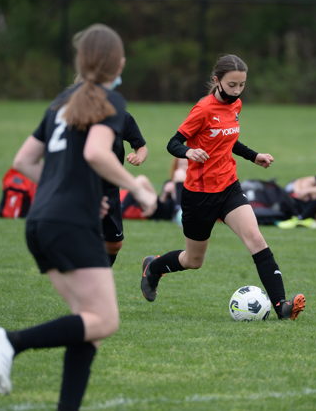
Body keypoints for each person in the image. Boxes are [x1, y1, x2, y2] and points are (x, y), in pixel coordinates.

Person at [0, 23, 150, 411]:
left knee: (87, 319)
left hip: (41, 221)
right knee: (105, 320)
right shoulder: (109, 100)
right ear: (118, 63)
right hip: (69, 223)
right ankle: (8, 341)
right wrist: (137, 187)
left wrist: (74, 191)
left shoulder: (61, 102)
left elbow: (24, 161)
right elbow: (97, 153)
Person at [139, 54, 305, 321]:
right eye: (232, 85)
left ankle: (281, 306)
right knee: (193, 261)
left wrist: (254, 156)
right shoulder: (203, 109)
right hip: (199, 195)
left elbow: (229, 140)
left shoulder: (236, 105)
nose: (237, 91)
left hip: (228, 187)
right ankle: (154, 267)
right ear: (217, 80)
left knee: (256, 240)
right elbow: (173, 143)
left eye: (242, 85)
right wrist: (189, 152)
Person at [102, 111, 148, 266]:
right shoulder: (75, 115)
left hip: (110, 188)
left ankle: (97, 274)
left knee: (114, 244)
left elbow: (141, 147)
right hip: (81, 187)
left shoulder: (121, 116)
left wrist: (139, 157)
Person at [121, 158, 188, 222]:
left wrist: (174, 192)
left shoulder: (187, 184)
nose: (183, 168)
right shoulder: (169, 182)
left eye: (185, 164)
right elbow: (162, 201)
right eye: (181, 165)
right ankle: (121, 210)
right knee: (141, 179)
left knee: (180, 174)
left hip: (174, 211)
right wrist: (165, 193)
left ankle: (178, 211)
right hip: (159, 209)